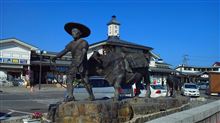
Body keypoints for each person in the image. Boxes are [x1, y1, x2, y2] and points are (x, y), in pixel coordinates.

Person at [52, 22, 95, 101]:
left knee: (85, 80)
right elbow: (64, 51)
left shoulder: (83, 42)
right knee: (69, 78)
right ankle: (70, 95)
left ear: (80, 33)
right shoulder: (71, 44)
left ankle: (91, 95)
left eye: (75, 32)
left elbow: (84, 52)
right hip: (74, 63)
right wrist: (56, 57)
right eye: (72, 32)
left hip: (82, 63)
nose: (73, 34)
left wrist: (80, 62)